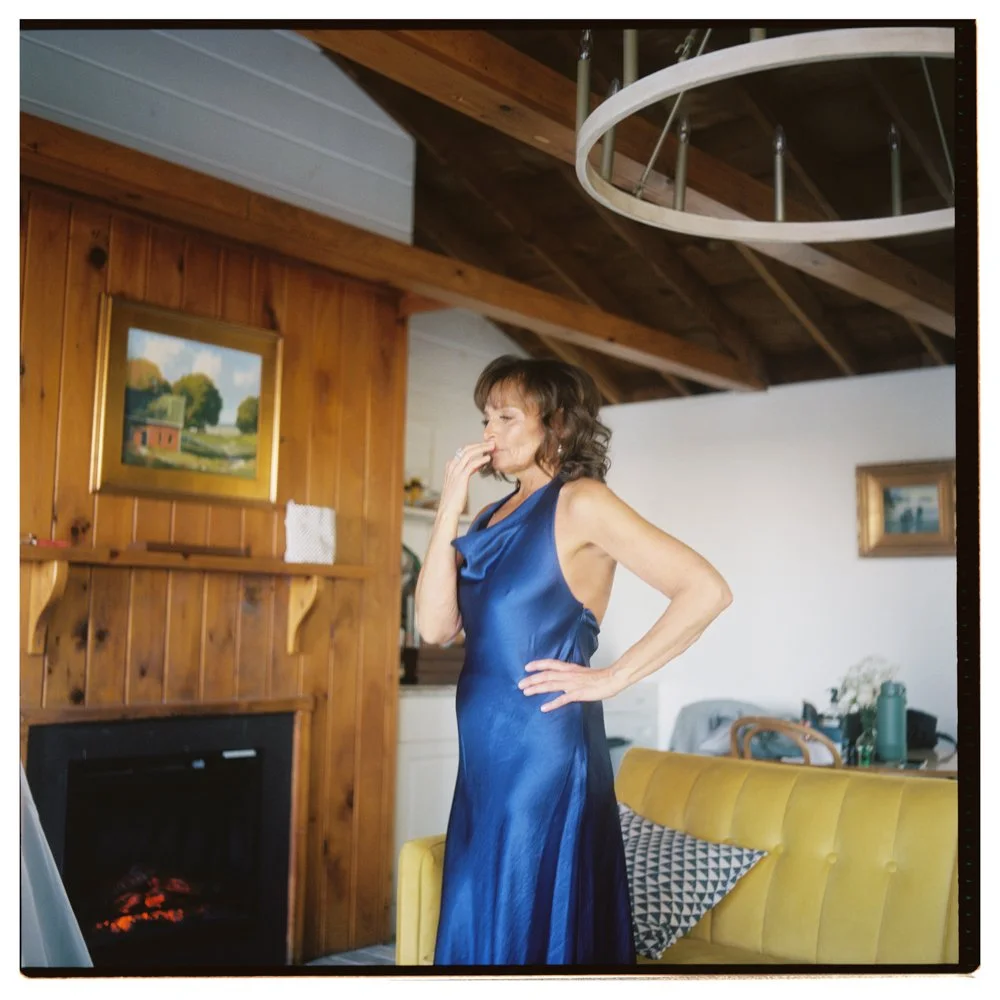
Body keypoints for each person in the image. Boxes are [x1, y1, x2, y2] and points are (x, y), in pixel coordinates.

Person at [415, 356, 732, 966]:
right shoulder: (488, 516)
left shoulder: (582, 503)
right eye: (486, 418)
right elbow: (435, 626)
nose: (490, 434)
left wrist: (613, 677)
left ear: (557, 423)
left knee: (525, 907)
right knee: (484, 904)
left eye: (508, 417)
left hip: (543, 745)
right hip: (483, 754)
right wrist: (449, 507)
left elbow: (706, 589)